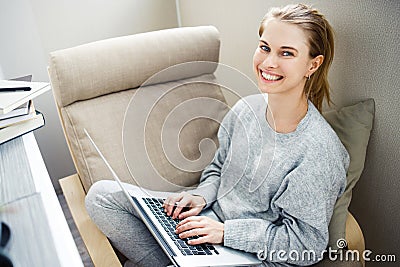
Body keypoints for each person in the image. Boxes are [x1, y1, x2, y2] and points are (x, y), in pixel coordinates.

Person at [85, 3, 349, 266]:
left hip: (252, 256)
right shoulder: (247, 108)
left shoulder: (318, 152)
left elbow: (305, 247)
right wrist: (201, 196)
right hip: (210, 222)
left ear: (312, 65)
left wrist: (226, 234)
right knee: (102, 197)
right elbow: (218, 167)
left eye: (287, 53)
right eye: (265, 47)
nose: (269, 62)